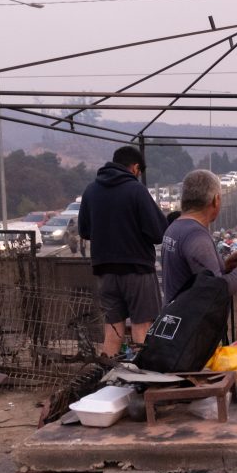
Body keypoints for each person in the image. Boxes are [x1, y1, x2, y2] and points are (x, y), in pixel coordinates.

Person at [161, 169, 237, 473]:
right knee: (201, 410)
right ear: (215, 201)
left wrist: (226, 265)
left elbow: (204, 277)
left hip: (177, 327)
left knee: (191, 405)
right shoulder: (198, 238)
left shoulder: (176, 228)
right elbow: (213, 293)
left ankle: (192, 471)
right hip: (193, 334)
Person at [78, 146, 168, 357]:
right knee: (141, 328)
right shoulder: (135, 190)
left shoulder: (91, 190)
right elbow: (158, 231)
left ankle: (106, 381)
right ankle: (143, 381)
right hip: (137, 271)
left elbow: (84, 230)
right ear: (135, 167)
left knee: (113, 330)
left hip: (105, 272)